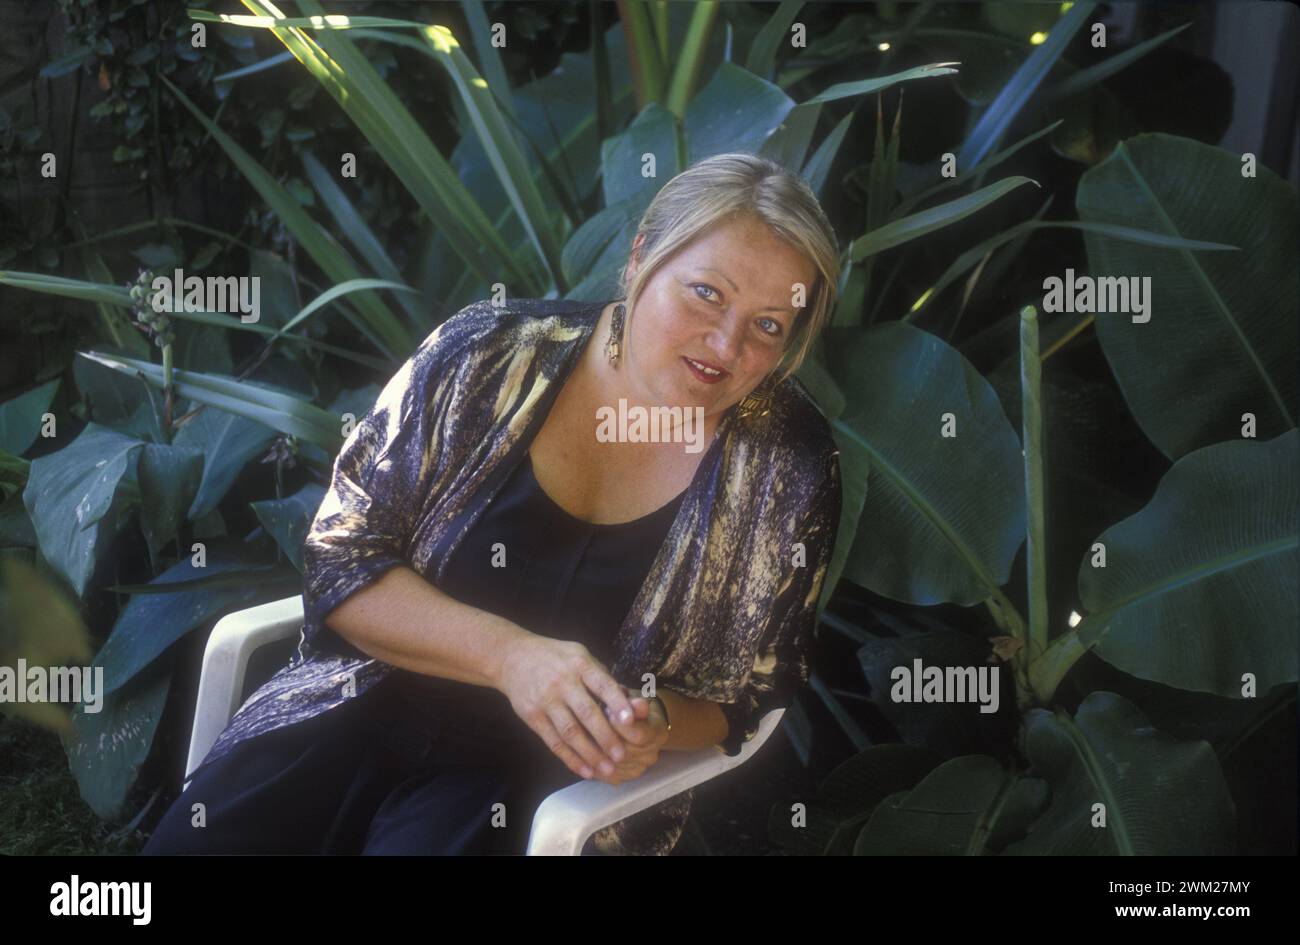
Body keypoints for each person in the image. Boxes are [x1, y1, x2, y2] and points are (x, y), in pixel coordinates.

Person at [143, 151, 844, 856]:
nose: (726, 344)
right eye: (707, 292)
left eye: (768, 326)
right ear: (640, 260)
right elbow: (339, 562)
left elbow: (748, 693)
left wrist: (656, 723)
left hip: (530, 781)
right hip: (355, 705)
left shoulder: (789, 466)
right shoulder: (482, 357)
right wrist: (511, 657)